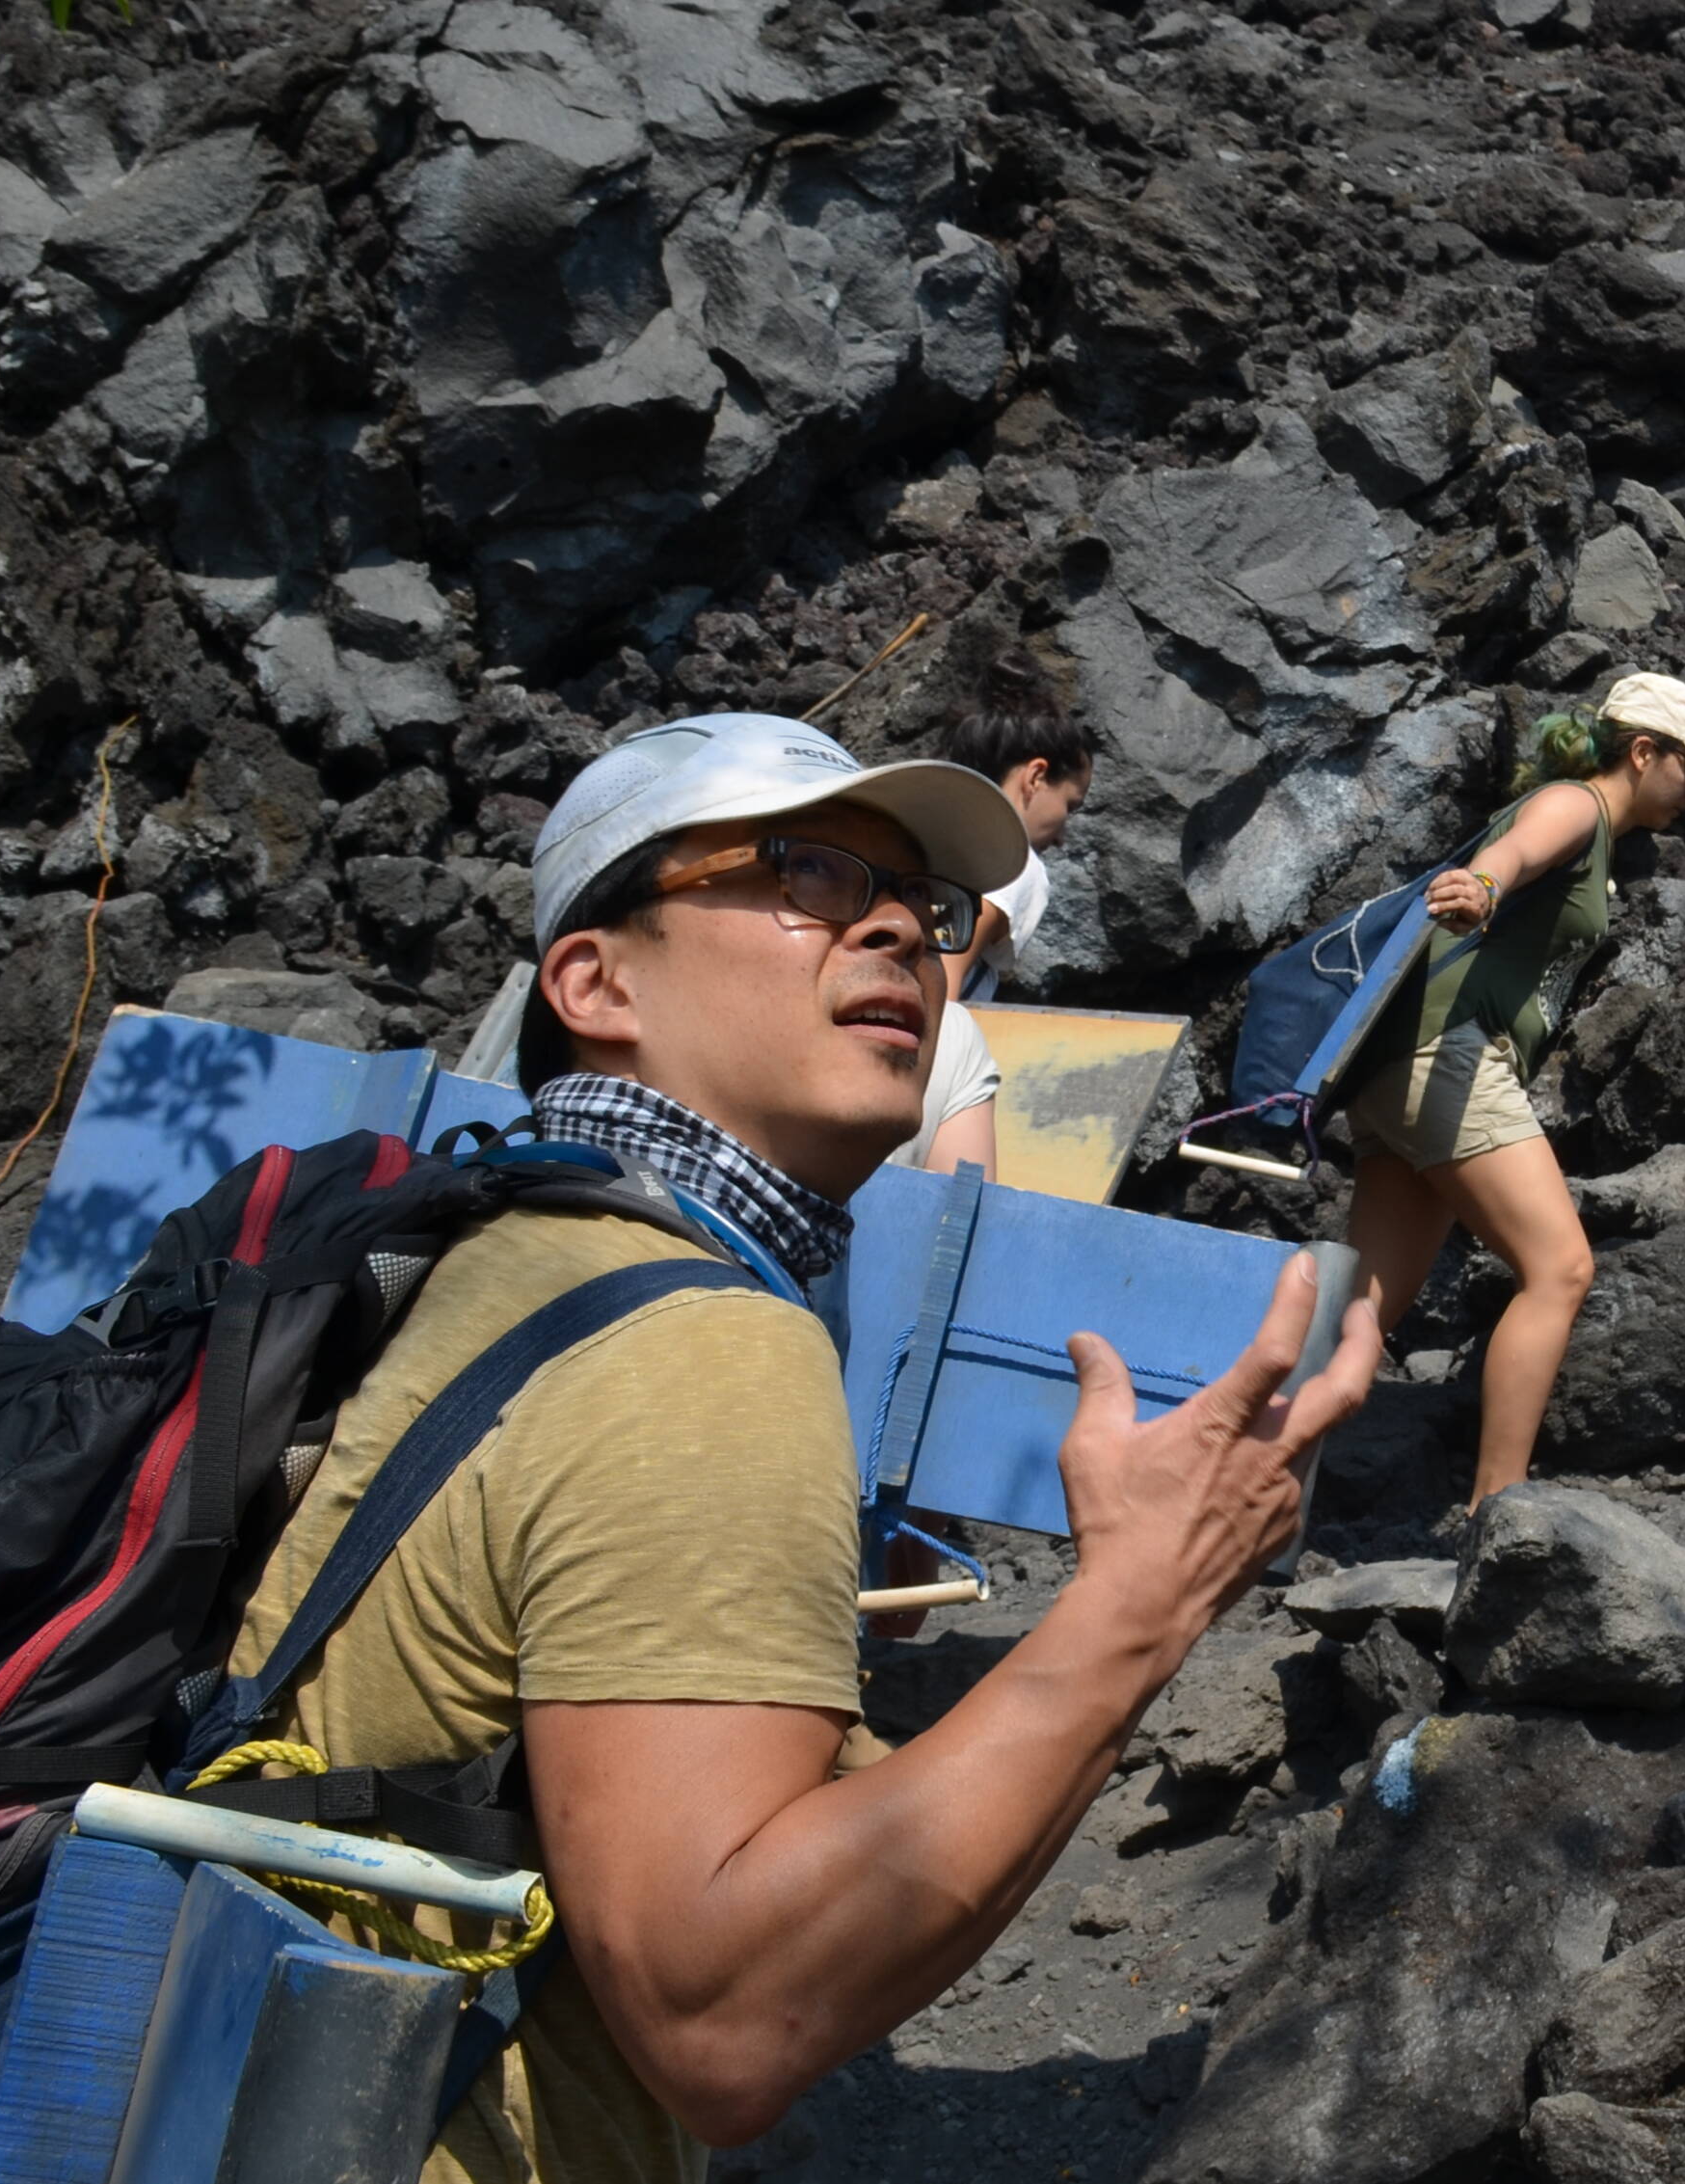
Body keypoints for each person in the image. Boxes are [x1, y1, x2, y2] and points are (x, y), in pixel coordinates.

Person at [281, 712, 1373, 2176]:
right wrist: (1143, 1600)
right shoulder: (694, 1347)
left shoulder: (497, 1241)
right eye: (805, 874)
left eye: (921, 910)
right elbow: (722, 2016)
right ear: (594, 981)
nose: (896, 936)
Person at [1349, 670, 1685, 1503]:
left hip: (1394, 1079)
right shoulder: (1579, 806)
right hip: (1448, 1060)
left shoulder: (1598, 829)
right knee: (1560, 1268)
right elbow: (1517, 848)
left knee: (1363, 1317)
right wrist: (1483, 887)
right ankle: (1501, 1509)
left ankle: (1245, 1469)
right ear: (1643, 752)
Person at [896, 662, 1099, 1176]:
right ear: (1035, 776)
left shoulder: (931, 837)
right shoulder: (1014, 861)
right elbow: (947, 971)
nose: (1064, 831)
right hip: (919, 1059)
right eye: (1070, 805)